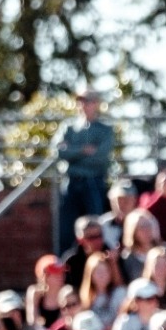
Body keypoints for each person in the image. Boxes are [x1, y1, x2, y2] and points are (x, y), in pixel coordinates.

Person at [55, 88, 115, 249]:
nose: (83, 104)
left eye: (88, 100)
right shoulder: (68, 127)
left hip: (94, 183)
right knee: (66, 230)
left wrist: (72, 153)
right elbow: (59, 152)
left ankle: (99, 264)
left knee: (96, 226)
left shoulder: (105, 129)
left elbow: (100, 158)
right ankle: (67, 267)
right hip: (71, 183)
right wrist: (83, 150)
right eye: (80, 100)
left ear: (96, 103)